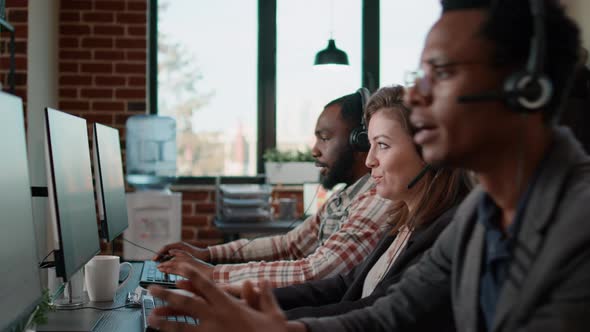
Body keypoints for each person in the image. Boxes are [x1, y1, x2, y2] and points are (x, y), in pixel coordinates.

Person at [145, 0, 590, 331]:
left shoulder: (579, 223)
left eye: (443, 73)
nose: (416, 99)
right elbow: (389, 316)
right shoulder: (480, 215)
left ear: (524, 90)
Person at [154, 91, 396, 288]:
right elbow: (290, 245)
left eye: (324, 137)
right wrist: (207, 254)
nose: (314, 150)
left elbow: (315, 271)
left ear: (359, 141)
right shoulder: (343, 199)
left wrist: (211, 274)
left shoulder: (377, 198)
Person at [273, 85, 471, 322]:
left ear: (429, 151)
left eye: (383, 145)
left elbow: (375, 310)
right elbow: (346, 285)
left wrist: (270, 321)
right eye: (370, 145)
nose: (369, 161)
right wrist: (255, 298)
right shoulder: (400, 222)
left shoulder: (444, 231)